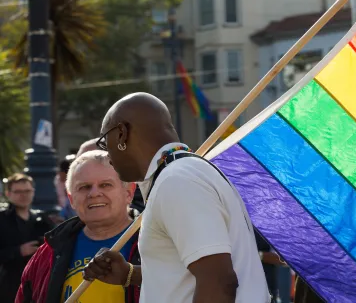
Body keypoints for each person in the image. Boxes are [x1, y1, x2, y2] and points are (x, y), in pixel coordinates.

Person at [83, 92, 270, 303]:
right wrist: (129, 274)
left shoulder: (177, 180)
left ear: (121, 133)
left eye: (105, 142)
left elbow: (219, 282)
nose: (107, 155)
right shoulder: (182, 173)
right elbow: (190, 274)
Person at [15, 150, 142, 303]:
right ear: (71, 199)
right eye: (84, 187)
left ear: (129, 192)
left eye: (105, 185)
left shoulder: (157, 244)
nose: (94, 193)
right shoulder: (48, 254)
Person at [0, 173, 55, 302]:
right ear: (8, 194)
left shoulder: (42, 218)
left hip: (38, 284)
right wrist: (18, 251)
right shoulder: (2, 219)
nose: (23, 195)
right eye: (18, 191)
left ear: (33, 192)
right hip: (9, 285)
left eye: (27, 191)